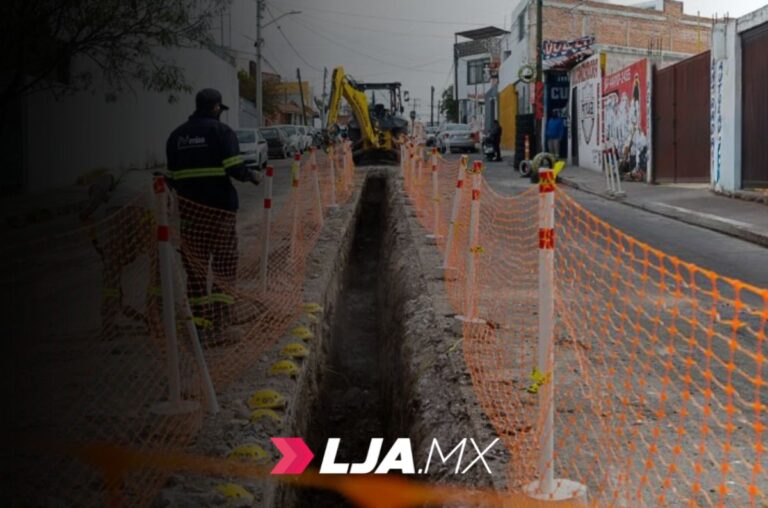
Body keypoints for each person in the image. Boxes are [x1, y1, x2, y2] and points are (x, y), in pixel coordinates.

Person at [165, 88, 261, 345]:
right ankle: (220, 327)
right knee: (224, 266)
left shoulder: (176, 136)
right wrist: (252, 176)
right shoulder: (222, 132)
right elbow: (234, 168)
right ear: (216, 108)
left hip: (189, 214)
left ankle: (198, 329)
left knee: (195, 270)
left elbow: (171, 178)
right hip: (219, 212)